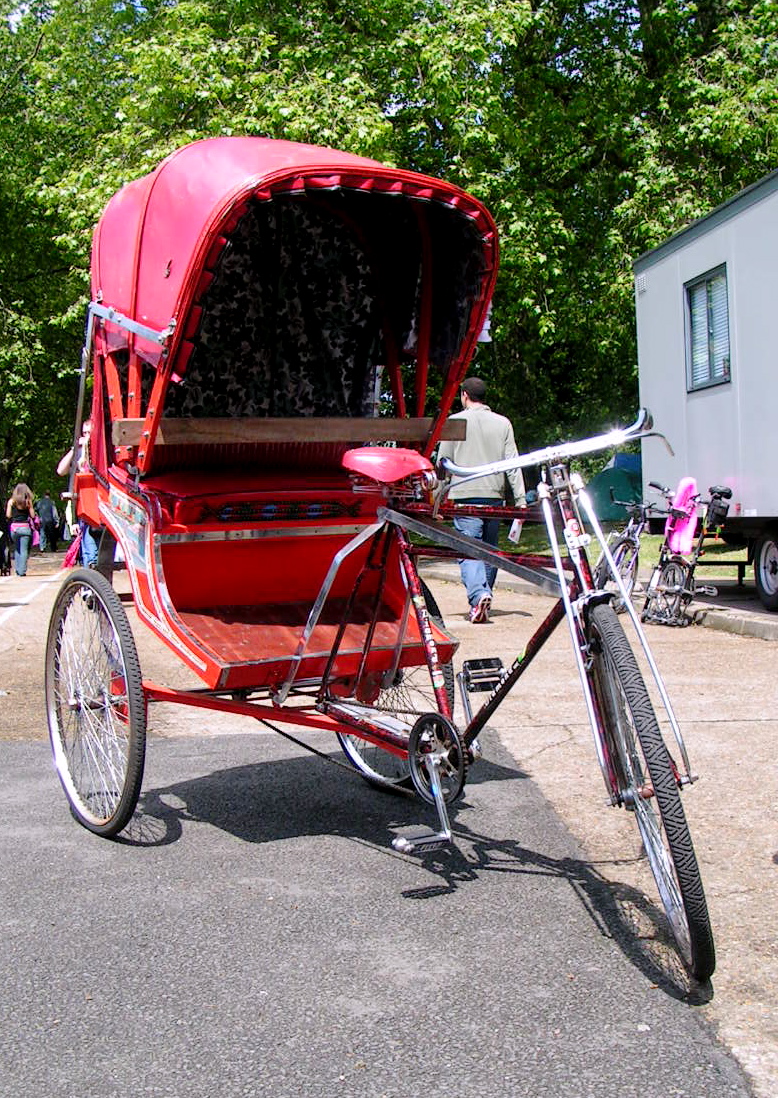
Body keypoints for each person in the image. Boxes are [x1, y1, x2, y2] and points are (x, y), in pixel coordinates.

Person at [437, 377, 526, 623]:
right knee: (489, 550)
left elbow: (443, 465)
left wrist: (437, 499)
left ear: (464, 395)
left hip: (465, 496)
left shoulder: (454, 422)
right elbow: (513, 463)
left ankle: (479, 596)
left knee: (468, 549)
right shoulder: (503, 423)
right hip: (494, 496)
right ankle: (483, 598)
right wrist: (520, 499)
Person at [5, 483, 36, 576]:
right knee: (24, 550)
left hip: (14, 528)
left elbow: (8, 515)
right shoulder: (27, 501)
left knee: (17, 549)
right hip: (25, 528)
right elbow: (33, 515)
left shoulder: (11, 501)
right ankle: (22, 571)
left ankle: (18, 569)